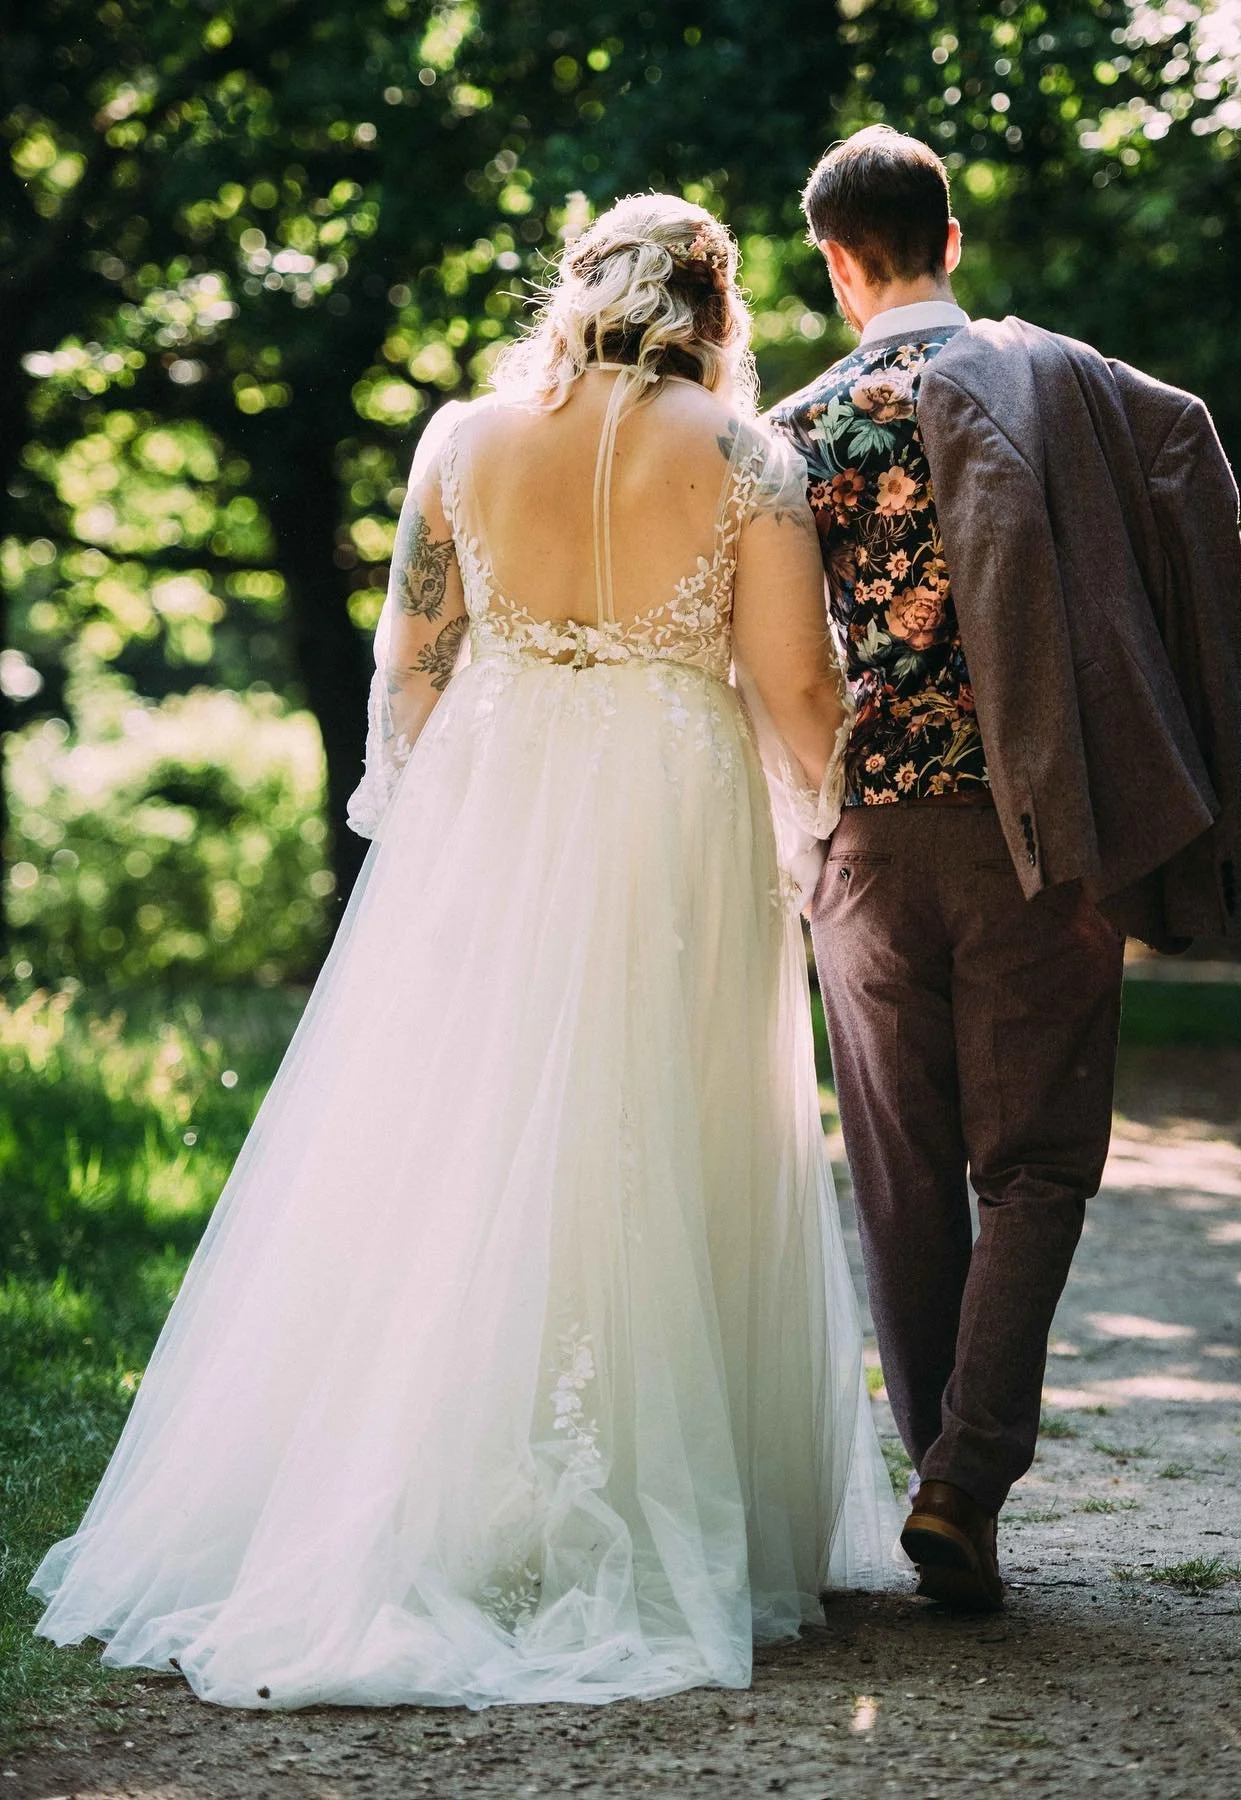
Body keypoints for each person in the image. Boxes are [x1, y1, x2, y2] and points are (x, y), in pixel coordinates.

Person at [31, 194, 903, 1711]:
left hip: (500, 803)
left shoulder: (459, 441)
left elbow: (413, 668)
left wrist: (442, 829)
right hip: (669, 808)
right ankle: (653, 1496)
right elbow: (798, 691)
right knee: (665, 1115)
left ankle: (440, 1486)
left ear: (579, 291)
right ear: (716, 311)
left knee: (467, 1128)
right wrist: (831, 823)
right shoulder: (747, 459)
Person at [770, 126, 1241, 1611]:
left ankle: (942, 1475)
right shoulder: (1067, 384)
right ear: (952, 239)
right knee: (1034, 1164)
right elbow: (1193, 459)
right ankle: (962, 1482)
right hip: (1037, 836)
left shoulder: (788, 434)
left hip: (861, 847)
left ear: (835, 265)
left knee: (904, 1176)